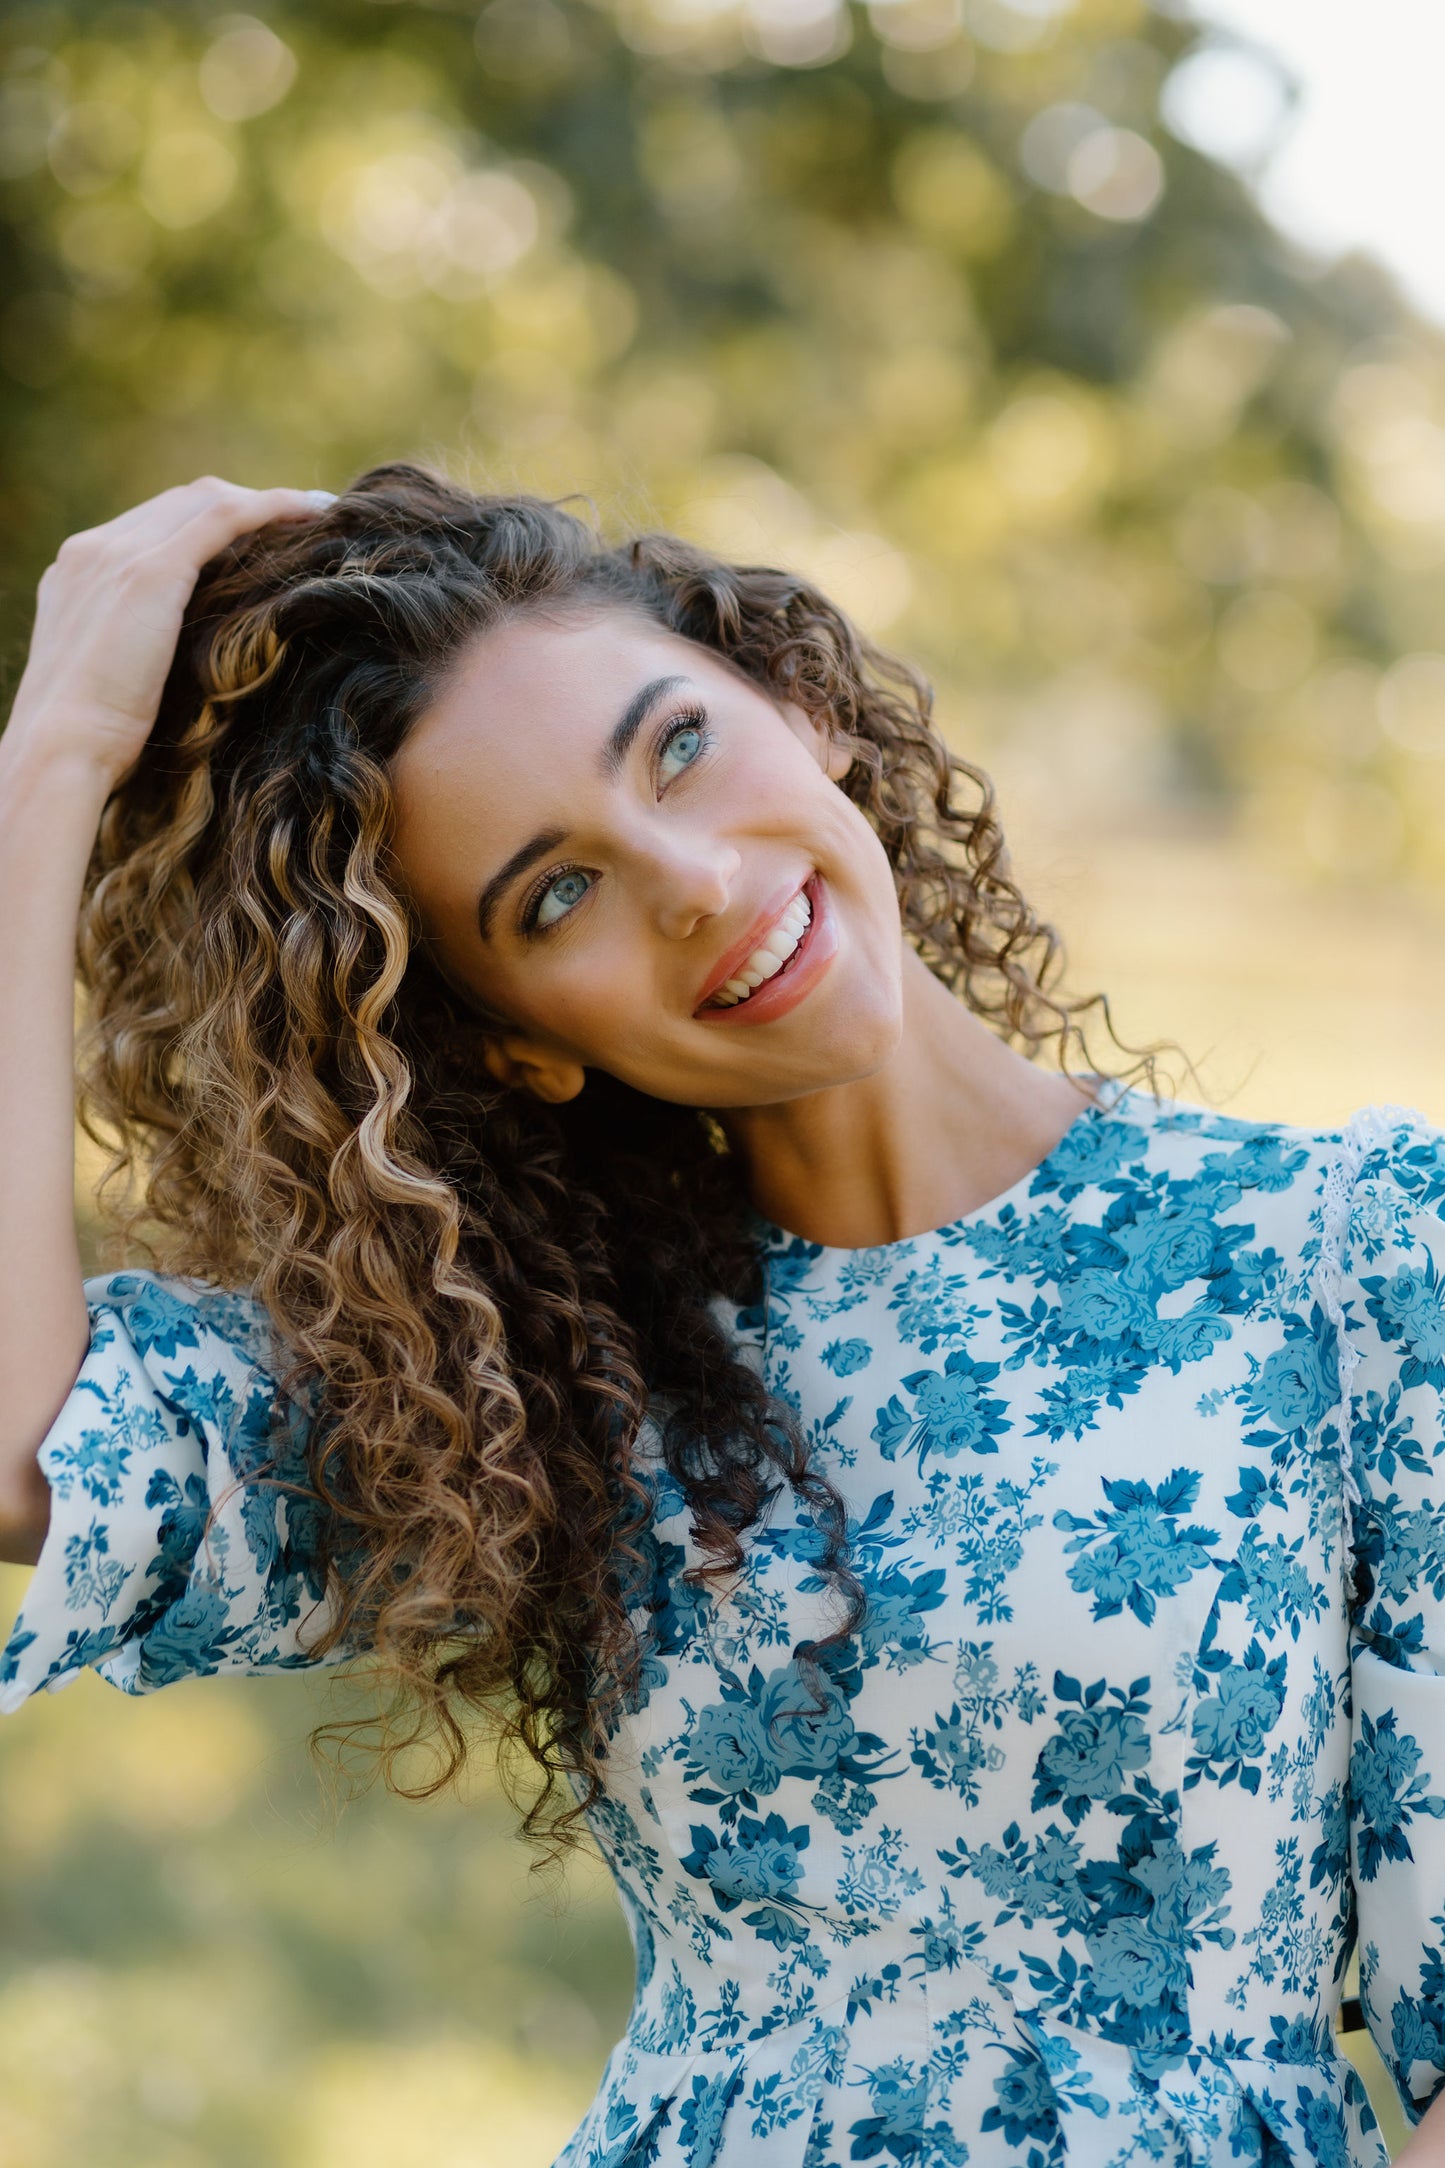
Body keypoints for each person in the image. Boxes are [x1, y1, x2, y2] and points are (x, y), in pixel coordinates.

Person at [0, 465, 1442, 2168]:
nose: (685, 881)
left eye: (675, 746)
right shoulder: (523, 1371)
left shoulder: (1349, 1246)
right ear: (520, 1044)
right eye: (555, 896)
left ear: (804, 704)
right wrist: (49, 776)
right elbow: (28, 1449)